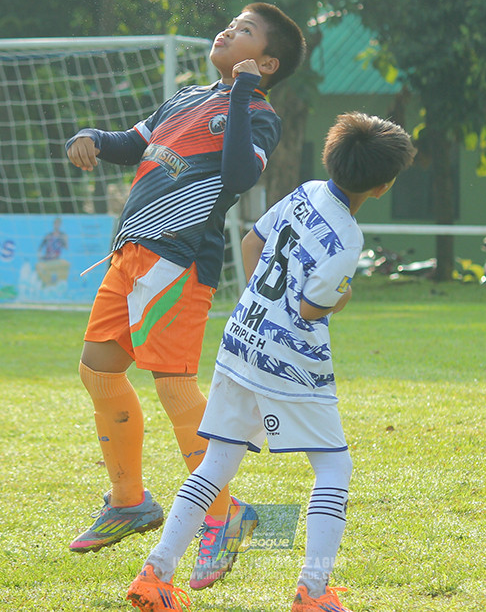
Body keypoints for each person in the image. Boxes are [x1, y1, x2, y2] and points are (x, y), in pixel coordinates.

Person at [125, 112, 416, 612]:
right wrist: (339, 298)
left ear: (332, 155)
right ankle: (313, 590)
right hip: (289, 362)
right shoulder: (348, 241)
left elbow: (252, 243)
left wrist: (261, 301)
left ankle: (155, 574)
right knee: (334, 467)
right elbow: (310, 308)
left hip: (241, 339)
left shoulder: (303, 191)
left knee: (216, 461)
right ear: (384, 186)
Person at [64, 2, 306, 589]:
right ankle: (129, 501)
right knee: (98, 372)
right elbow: (136, 142)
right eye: (232, 23)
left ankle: (224, 513)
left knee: (173, 384)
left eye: (245, 31)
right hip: (130, 251)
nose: (228, 30)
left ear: (266, 62)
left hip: (177, 260)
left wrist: (245, 93)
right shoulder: (187, 97)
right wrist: (95, 137)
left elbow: (236, 176)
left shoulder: (258, 114)